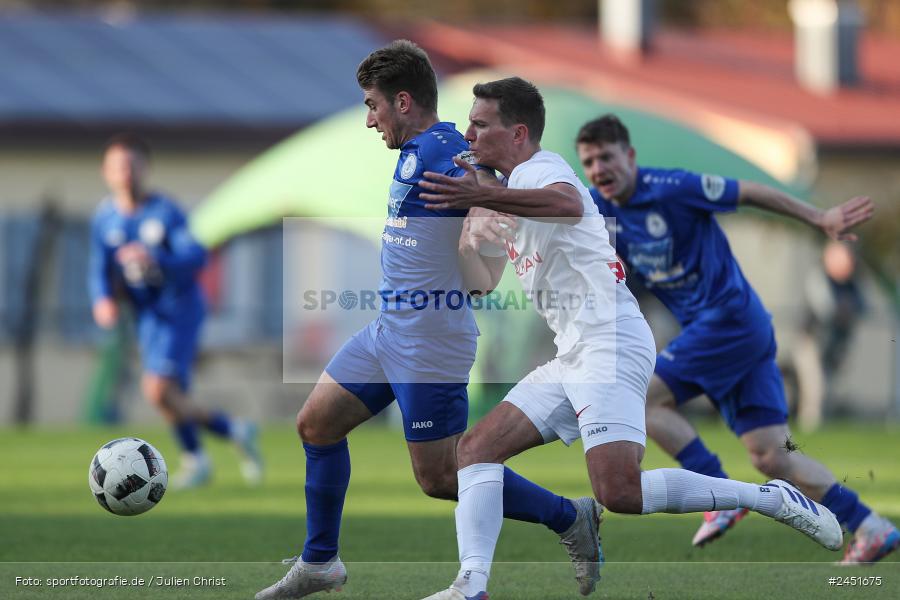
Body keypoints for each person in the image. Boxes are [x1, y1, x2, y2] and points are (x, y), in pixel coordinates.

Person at [417, 77, 843, 600]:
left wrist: (484, 195)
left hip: (609, 341)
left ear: (519, 133)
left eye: (480, 124)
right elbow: (481, 283)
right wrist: (467, 237)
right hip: (574, 352)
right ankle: (470, 586)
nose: (469, 133)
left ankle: (770, 498)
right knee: (476, 451)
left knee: (619, 491)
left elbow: (569, 204)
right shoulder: (508, 193)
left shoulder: (540, 170)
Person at [255, 42, 601, 600]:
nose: (370, 120)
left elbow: (484, 180)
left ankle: (569, 516)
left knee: (441, 477)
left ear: (403, 101)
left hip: (431, 341)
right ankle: (320, 563)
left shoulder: (445, 148)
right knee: (316, 425)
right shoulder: (417, 148)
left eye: (373, 106)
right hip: (387, 331)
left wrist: (485, 210)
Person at [575, 114, 897, 563]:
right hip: (734, 331)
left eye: (606, 157)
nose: (598, 169)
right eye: (589, 162)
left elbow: (750, 192)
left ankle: (719, 493)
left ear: (629, 156)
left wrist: (817, 216)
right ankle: (870, 525)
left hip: (728, 320)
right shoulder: (597, 209)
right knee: (772, 456)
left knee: (642, 398)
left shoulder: (672, 187)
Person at [89, 133, 262, 489]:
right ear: (106, 172)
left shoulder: (165, 212)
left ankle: (205, 452)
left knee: (157, 389)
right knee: (170, 396)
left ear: (145, 168)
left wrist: (156, 259)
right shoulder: (105, 218)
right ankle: (222, 440)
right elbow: (99, 268)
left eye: (132, 165)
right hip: (147, 317)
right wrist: (102, 298)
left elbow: (195, 255)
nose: (126, 173)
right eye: (118, 167)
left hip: (179, 310)